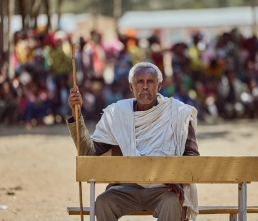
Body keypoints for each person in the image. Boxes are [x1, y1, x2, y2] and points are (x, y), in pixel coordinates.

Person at [67, 62, 199, 221]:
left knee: (172, 203)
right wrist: (77, 114)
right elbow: (89, 153)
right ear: (131, 87)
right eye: (139, 82)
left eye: (150, 82)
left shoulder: (179, 113)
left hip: (162, 189)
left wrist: (176, 179)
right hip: (125, 188)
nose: (145, 87)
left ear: (159, 86)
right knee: (103, 203)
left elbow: (192, 158)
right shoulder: (117, 113)